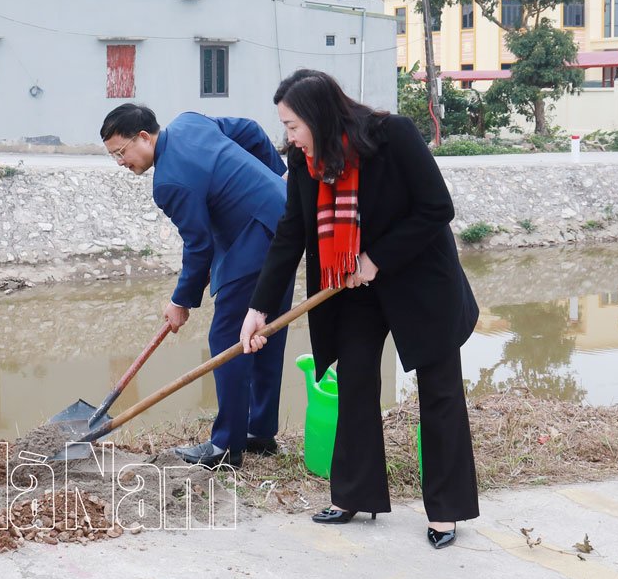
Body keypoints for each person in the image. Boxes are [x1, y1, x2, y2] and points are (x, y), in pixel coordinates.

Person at [240, 69, 479, 550]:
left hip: (418, 282)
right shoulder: (305, 160)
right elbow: (291, 232)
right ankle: (355, 494)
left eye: (292, 125)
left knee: (439, 394)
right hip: (350, 287)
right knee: (354, 383)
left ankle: (446, 511)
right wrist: (260, 307)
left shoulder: (393, 136)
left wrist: (377, 257)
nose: (288, 136)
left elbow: (436, 207)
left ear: (318, 116)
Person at [101, 103, 292, 469]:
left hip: (253, 241)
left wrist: (180, 301)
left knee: (229, 338)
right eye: (114, 156)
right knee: (266, 329)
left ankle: (226, 447)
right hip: (284, 222)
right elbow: (251, 129)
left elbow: (199, 245)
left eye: (122, 152)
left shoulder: (169, 182)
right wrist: (276, 179)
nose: (121, 163)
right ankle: (260, 432)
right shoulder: (190, 122)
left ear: (144, 136)